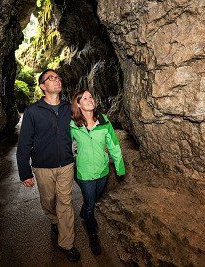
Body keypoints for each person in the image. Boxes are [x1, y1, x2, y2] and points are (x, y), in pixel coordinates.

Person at [16, 69, 80, 262]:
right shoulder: (32, 111)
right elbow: (24, 143)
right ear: (43, 86)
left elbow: (86, 119)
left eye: (58, 77)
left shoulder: (68, 108)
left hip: (66, 165)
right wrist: (24, 172)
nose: (57, 80)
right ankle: (53, 219)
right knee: (48, 201)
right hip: (43, 167)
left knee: (65, 203)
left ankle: (66, 243)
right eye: (51, 78)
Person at [70, 89, 126, 255]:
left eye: (91, 97)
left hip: (102, 171)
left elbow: (114, 145)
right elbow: (64, 145)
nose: (90, 99)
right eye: (85, 98)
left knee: (95, 198)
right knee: (90, 205)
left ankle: (84, 211)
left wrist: (119, 166)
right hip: (84, 173)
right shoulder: (72, 125)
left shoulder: (104, 121)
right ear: (78, 104)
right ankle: (93, 234)